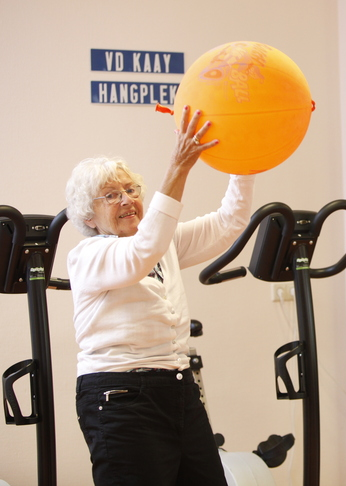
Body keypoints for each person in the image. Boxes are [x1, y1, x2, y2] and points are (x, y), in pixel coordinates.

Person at [65, 106, 255, 486]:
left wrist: (246, 157)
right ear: (88, 216)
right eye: (111, 195)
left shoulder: (159, 243)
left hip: (178, 388)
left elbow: (230, 222)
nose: (126, 200)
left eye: (131, 190)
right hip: (118, 395)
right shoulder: (88, 256)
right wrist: (179, 166)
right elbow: (142, 251)